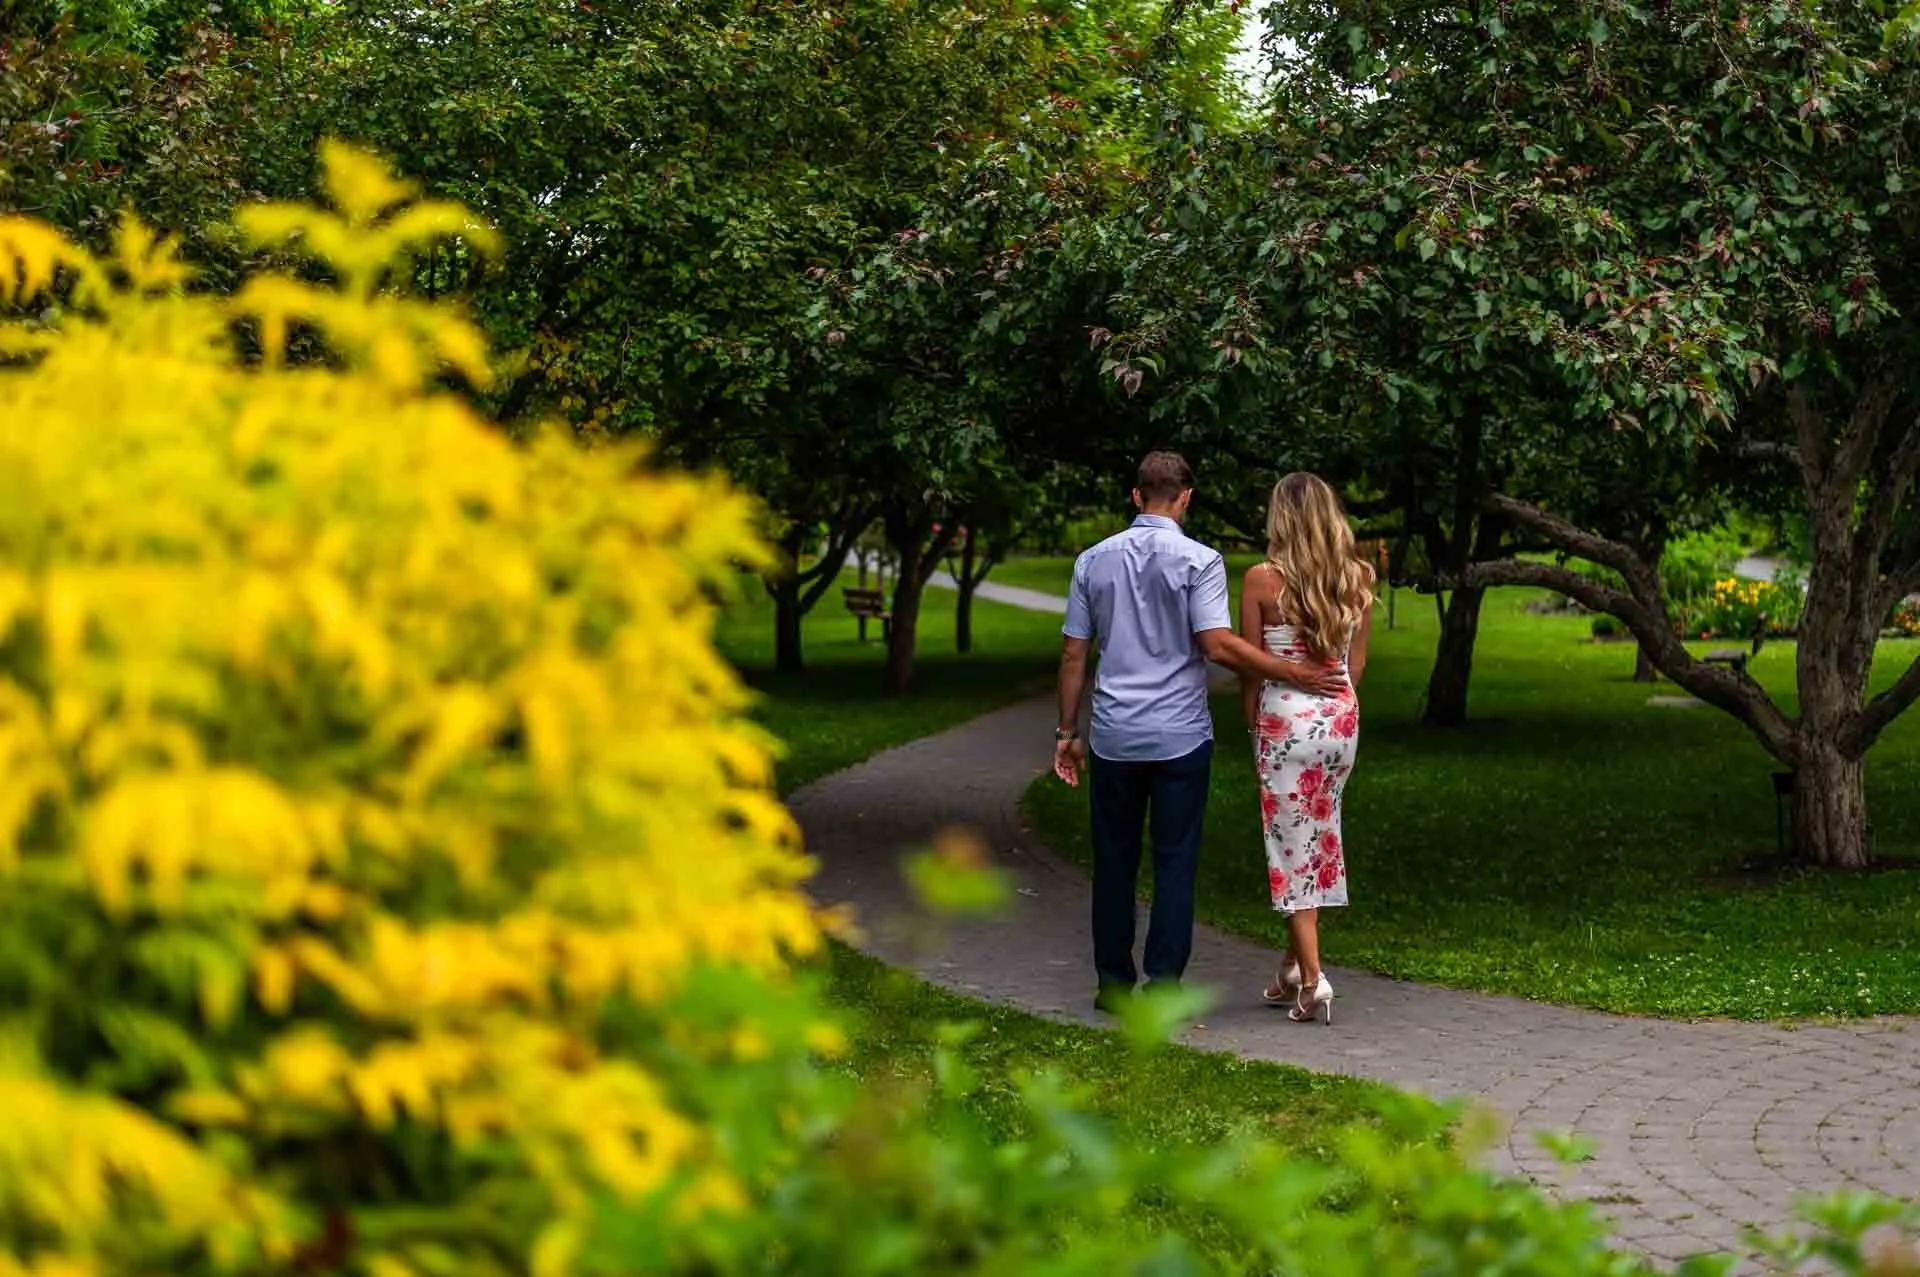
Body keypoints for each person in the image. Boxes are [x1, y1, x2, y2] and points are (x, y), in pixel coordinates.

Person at [1053, 452, 1346, 1013]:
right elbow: (1215, 644)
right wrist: (1290, 672)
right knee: (1175, 859)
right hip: (1181, 735)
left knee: (1112, 860)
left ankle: (1113, 983)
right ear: (1185, 497)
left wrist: (1068, 731)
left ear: (1137, 496)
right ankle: (1163, 984)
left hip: (1114, 733)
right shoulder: (1201, 561)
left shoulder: (1092, 560)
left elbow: (1073, 652)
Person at [1239, 472, 1374, 1026]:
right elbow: (1356, 665)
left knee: (1288, 847)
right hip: (1340, 721)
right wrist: (1333, 711)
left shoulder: (1261, 581)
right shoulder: (1359, 577)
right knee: (1317, 836)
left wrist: (1254, 731)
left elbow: (1249, 665)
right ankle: (1291, 967)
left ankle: (1314, 981)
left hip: (1284, 723)